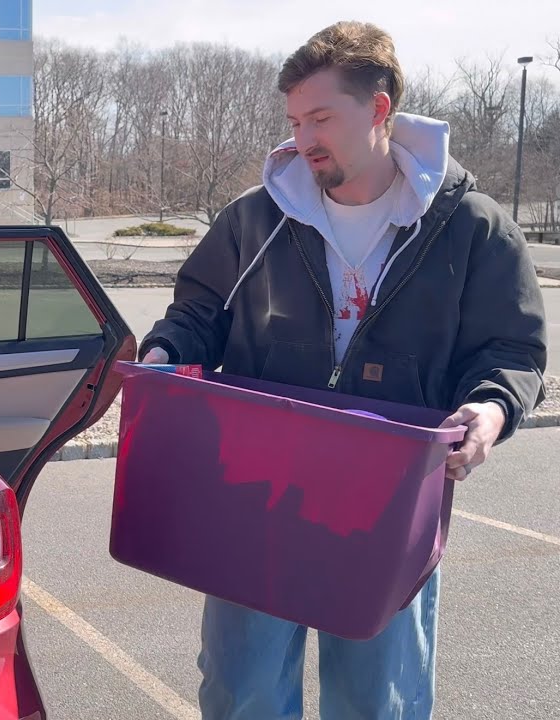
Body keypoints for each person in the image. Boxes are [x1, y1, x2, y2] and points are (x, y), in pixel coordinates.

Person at [138, 20, 548, 720]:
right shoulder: (254, 219)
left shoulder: (470, 226)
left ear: (381, 109)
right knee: (244, 694)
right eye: (296, 120)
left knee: (375, 702)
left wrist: (491, 408)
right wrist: (164, 354)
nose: (303, 139)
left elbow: (511, 350)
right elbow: (201, 309)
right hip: (256, 493)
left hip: (389, 504)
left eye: (322, 117)